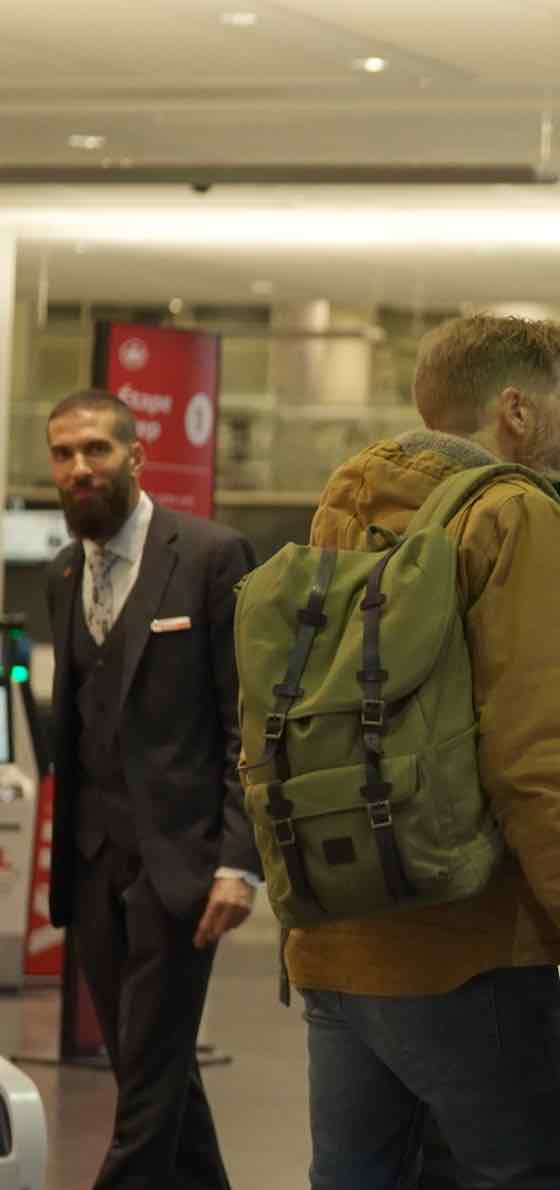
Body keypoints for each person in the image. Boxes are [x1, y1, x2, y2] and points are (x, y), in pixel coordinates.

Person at [289, 313, 560, 1189]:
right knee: (525, 1173)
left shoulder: (348, 499)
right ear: (518, 414)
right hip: (469, 945)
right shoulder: (516, 514)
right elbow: (543, 750)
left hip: (338, 931)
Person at [43, 388, 260, 1190]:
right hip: (96, 865)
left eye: (96, 449)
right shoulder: (65, 571)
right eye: (63, 454)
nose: (79, 468)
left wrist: (241, 863)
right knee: (149, 1070)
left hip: (183, 870)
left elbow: (250, 719)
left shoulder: (209, 555)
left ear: (135, 455)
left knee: (147, 1094)